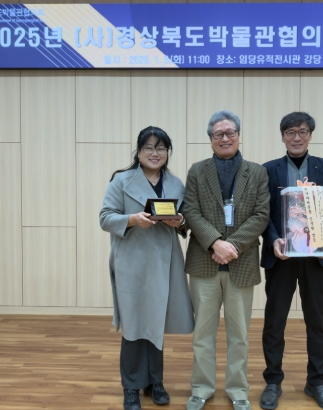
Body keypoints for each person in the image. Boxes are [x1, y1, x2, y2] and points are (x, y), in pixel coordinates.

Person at [100, 126, 195, 410]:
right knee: (134, 325)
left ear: (167, 152)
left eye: (161, 148)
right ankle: (131, 386)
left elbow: (185, 220)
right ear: (139, 152)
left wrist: (180, 222)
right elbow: (105, 218)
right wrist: (132, 219)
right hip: (133, 262)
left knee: (156, 323)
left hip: (165, 263)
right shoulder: (121, 181)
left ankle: (155, 382)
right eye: (149, 147)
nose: (155, 153)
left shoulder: (176, 184)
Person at [183, 110, 270, 410]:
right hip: (204, 263)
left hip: (241, 263)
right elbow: (191, 210)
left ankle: (238, 390)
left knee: (239, 336)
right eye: (218, 134)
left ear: (238, 136)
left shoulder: (257, 172)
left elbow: (261, 215)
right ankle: (201, 388)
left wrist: (231, 246)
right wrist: (215, 242)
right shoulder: (197, 171)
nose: (225, 138)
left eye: (230, 132)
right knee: (202, 335)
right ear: (210, 139)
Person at [259, 112, 323, 410]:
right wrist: (273, 239)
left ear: (310, 135)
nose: (297, 137)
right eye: (291, 132)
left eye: (303, 131)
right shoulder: (268, 170)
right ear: (282, 136)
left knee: (316, 322)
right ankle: (273, 381)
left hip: (315, 257)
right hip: (281, 256)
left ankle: (316, 382)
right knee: (275, 322)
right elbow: (263, 212)